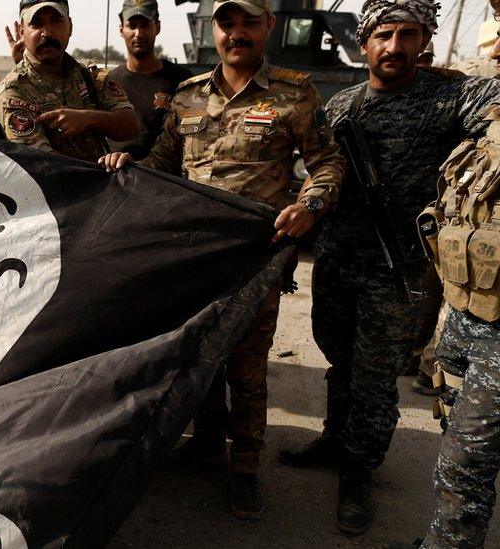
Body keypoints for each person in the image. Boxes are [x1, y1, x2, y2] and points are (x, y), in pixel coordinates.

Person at [100, 0, 344, 520]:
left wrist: (310, 204)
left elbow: (327, 163)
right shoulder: (188, 97)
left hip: (257, 260)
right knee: (199, 359)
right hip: (195, 259)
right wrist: (129, 162)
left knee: (247, 371)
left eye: (249, 22)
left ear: (268, 27)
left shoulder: (295, 93)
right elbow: (164, 162)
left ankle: (247, 469)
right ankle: (207, 443)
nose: (237, 33)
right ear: (215, 31)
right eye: (227, 23)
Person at [277, 0, 500, 535]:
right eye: (384, 34)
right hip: (336, 258)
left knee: (376, 378)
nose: (395, 47)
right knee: (338, 358)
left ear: (425, 40)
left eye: (409, 35)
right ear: (364, 42)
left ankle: (359, 470)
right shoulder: (344, 103)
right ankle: (335, 439)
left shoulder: (450, 96)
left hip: (397, 269)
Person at [420, 10, 500, 545]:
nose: (494, 50)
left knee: (464, 464)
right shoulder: (492, 116)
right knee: (455, 440)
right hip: (467, 313)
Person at [0, 0, 139, 163]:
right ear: (22, 32)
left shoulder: (89, 74)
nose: (47, 32)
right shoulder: (13, 91)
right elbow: (40, 164)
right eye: (36, 24)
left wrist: (89, 118)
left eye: (56, 21)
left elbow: (131, 126)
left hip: (105, 184)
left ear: (70, 26)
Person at [108, 0, 193, 159]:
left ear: (157, 27)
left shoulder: (182, 81)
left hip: (166, 177)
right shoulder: (108, 82)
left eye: (145, 25)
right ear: (121, 30)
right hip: (118, 177)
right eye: (132, 26)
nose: (138, 33)